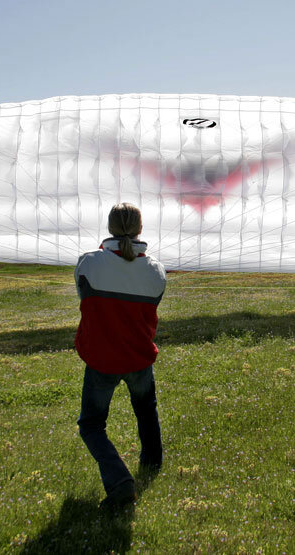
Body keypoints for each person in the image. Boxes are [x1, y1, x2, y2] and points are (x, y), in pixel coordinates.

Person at [74, 202, 167, 510]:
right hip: (138, 356)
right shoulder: (156, 271)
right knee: (146, 411)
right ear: (140, 229)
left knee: (92, 425)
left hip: (102, 359)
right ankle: (152, 463)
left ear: (110, 227)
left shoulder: (88, 263)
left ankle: (119, 481)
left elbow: (84, 298)